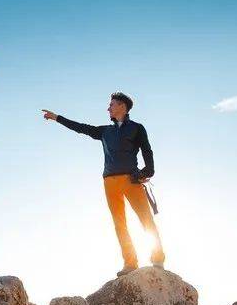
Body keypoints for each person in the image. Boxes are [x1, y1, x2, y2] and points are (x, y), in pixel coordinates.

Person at [42, 92, 165, 276]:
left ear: (122, 106)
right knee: (119, 224)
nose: (108, 108)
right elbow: (81, 128)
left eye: (112, 105)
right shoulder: (105, 131)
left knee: (146, 219)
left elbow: (147, 151)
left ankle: (157, 259)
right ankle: (130, 263)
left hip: (131, 180)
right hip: (109, 182)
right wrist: (57, 118)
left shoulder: (137, 128)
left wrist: (147, 172)